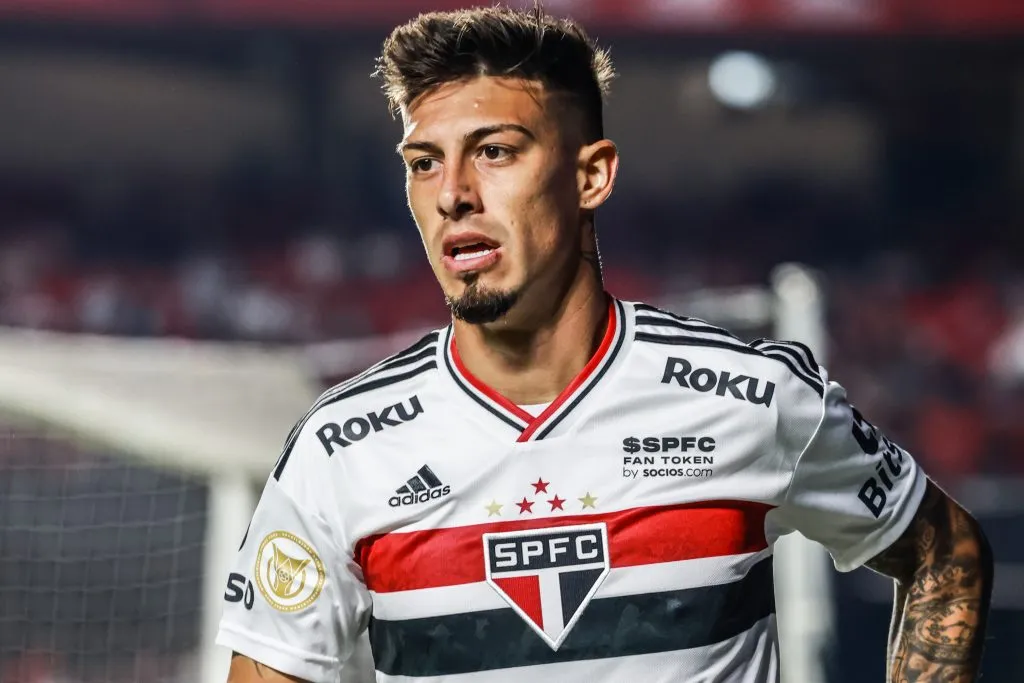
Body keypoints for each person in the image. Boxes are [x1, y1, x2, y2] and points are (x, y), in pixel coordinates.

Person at [217, 6, 993, 682]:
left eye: (495, 151)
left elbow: (945, 552)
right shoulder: (341, 449)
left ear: (591, 176)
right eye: (424, 163)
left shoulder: (752, 399)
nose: (452, 193)